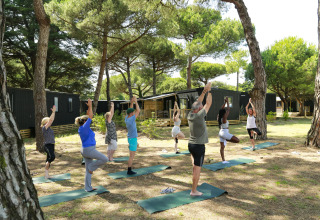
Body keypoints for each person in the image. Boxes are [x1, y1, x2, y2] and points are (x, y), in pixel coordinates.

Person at [75, 99, 109, 192]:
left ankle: (88, 188)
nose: (91, 121)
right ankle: (91, 167)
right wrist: (90, 106)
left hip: (84, 150)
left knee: (87, 171)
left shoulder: (81, 128)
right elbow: (90, 116)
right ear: (85, 121)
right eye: (89, 120)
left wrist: (88, 109)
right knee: (104, 159)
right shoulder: (85, 127)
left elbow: (88, 115)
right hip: (89, 150)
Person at [187, 82, 212, 196]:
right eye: (201, 107)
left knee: (195, 166)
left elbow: (199, 103)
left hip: (191, 145)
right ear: (198, 110)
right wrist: (210, 91)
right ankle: (194, 191)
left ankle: (194, 188)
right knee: (197, 169)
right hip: (198, 146)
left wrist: (204, 91)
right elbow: (208, 103)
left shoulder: (190, 114)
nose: (202, 107)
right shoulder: (199, 115)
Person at [218, 96, 240, 163]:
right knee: (237, 140)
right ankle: (226, 139)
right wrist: (227, 102)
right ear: (224, 113)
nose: (226, 113)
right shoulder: (224, 118)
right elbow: (228, 109)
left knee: (222, 148)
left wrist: (224, 102)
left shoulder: (218, 117)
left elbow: (221, 109)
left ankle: (223, 160)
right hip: (224, 133)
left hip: (221, 132)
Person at [125, 96, 140, 175]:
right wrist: (136, 102)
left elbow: (130, 110)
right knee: (132, 156)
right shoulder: (132, 119)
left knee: (132, 154)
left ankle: (129, 169)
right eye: (133, 112)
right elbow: (138, 110)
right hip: (133, 139)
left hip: (130, 138)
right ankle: (129, 170)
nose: (134, 112)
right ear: (131, 114)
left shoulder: (127, 118)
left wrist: (132, 102)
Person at [41, 105, 56, 179]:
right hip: (48, 145)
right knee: (52, 157)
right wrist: (53, 112)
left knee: (48, 159)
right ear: (45, 122)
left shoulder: (48, 128)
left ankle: (46, 175)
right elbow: (51, 120)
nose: (50, 122)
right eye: (48, 120)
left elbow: (50, 121)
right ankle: (47, 165)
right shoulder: (45, 128)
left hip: (51, 145)